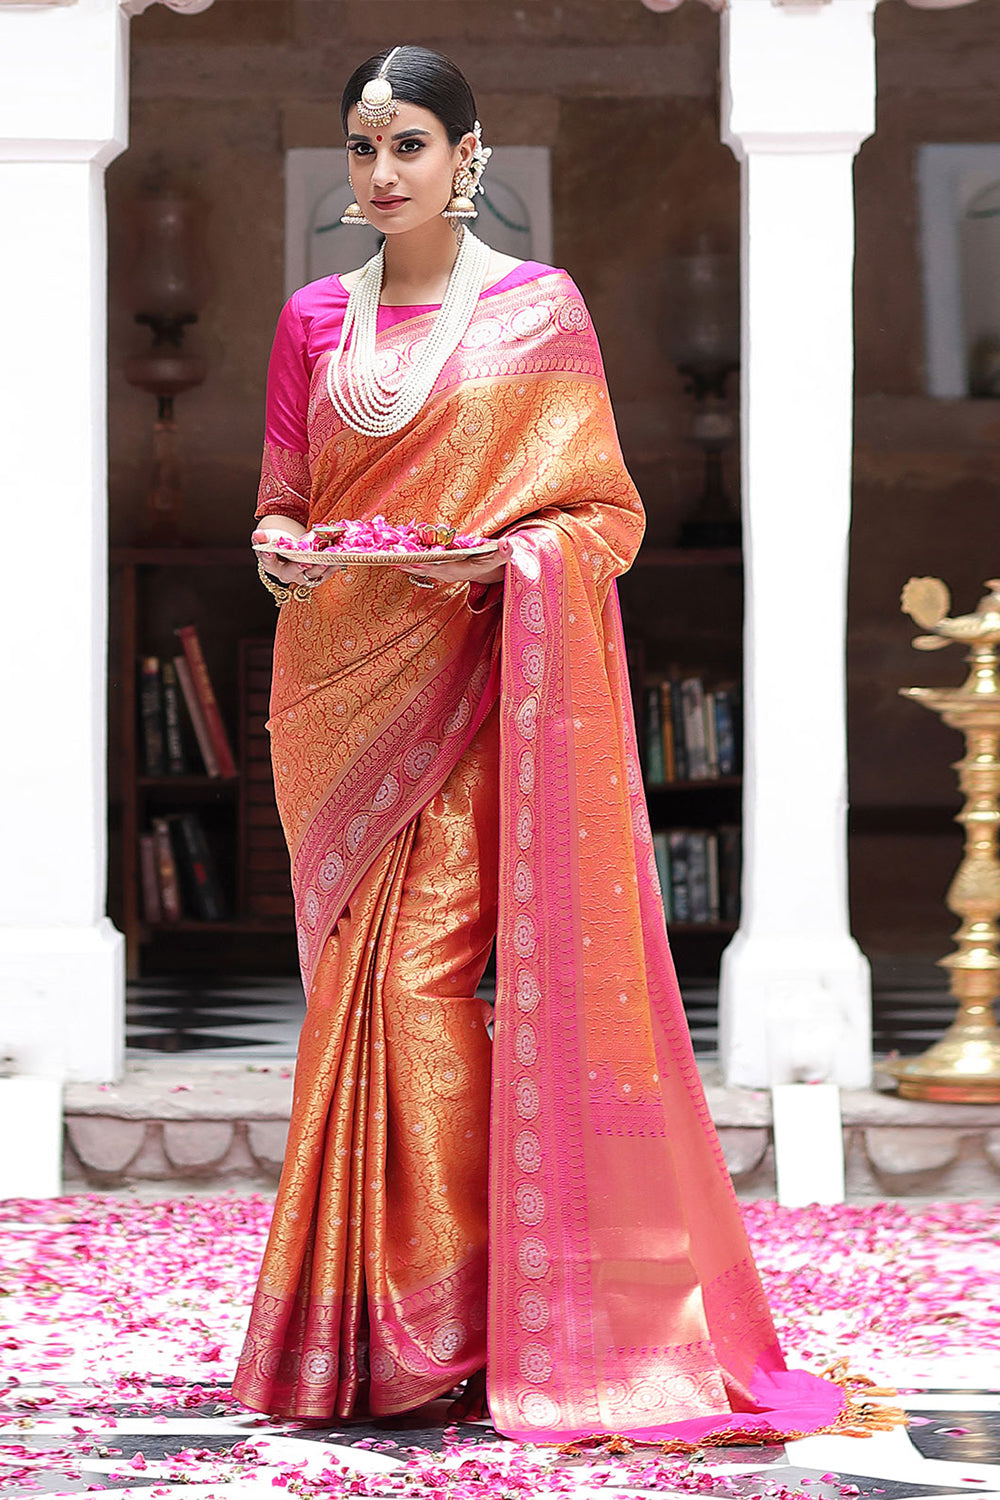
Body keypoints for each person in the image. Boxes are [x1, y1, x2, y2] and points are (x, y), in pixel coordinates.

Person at [233, 44, 875, 1448]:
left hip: (476, 699)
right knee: (351, 1005)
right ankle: (362, 1341)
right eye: (362, 148)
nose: (381, 172)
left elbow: (602, 519)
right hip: (338, 698)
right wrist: (282, 550)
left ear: (467, 155)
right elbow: (282, 498)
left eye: (407, 144)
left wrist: (503, 566)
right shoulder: (307, 324)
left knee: (416, 995)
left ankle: (451, 1326)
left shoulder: (539, 313)